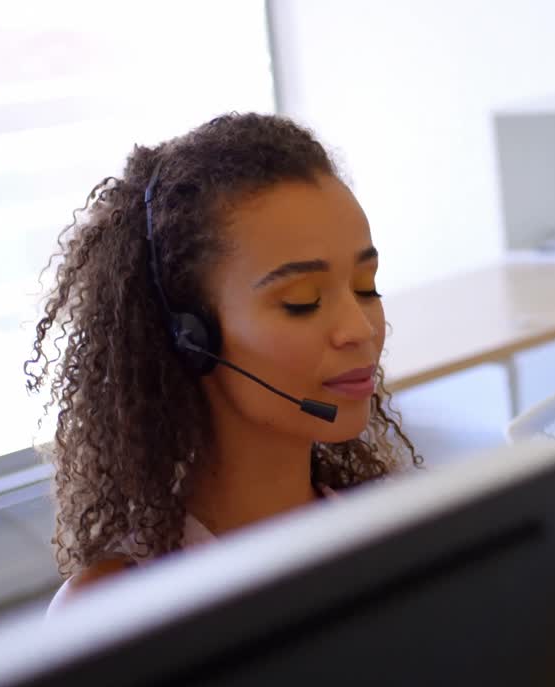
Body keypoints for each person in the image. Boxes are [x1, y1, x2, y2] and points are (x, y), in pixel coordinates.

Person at [26, 113, 419, 609]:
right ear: (189, 335)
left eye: (366, 287)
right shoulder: (111, 609)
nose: (360, 329)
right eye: (302, 300)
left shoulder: (401, 532)